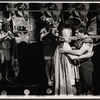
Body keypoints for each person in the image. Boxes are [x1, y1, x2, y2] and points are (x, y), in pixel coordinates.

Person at [59, 24, 94, 95]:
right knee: (80, 86)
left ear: (82, 32)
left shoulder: (88, 40)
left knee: (87, 85)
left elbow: (79, 52)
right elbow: (75, 49)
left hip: (86, 65)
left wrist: (66, 51)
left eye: (77, 32)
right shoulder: (80, 40)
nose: (75, 34)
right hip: (79, 65)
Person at [40, 17, 59, 86]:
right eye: (48, 22)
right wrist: (48, 33)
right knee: (48, 64)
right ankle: (48, 79)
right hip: (47, 49)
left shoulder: (55, 29)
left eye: (50, 22)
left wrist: (52, 34)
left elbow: (57, 36)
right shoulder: (43, 30)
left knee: (53, 64)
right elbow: (41, 38)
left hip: (53, 49)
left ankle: (52, 78)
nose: (49, 23)